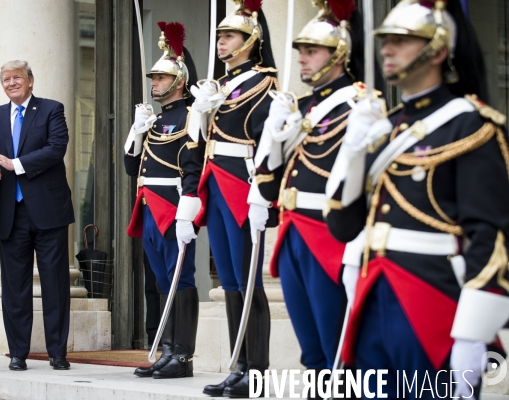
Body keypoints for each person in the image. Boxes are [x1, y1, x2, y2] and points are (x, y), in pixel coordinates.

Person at [324, 0, 509, 398]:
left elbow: (491, 236)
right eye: (384, 40)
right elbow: (343, 225)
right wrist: (353, 154)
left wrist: (473, 334)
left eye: (401, 41)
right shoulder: (387, 127)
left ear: (438, 49)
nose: (386, 49)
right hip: (374, 297)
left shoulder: (470, 124)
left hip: (435, 300)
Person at [249, 0, 370, 384]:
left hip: (331, 233)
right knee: (312, 348)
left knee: (339, 345)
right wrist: (273, 136)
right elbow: (271, 176)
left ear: (338, 55)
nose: (301, 59)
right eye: (300, 51)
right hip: (294, 231)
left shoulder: (359, 105)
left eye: (311, 51)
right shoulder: (302, 107)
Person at [188, 1, 278, 397]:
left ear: (250, 40)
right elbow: (197, 142)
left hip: (243, 185)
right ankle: (238, 365)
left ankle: (255, 372)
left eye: (229, 36)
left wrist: (264, 188)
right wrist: (200, 112)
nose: (221, 42)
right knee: (228, 283)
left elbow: (268, 142)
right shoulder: (218, 86)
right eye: (220, 36)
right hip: (216, 185)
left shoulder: (266, 83)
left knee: (249, 282)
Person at [0, 60, 75, 371]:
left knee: (56, 285)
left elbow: (56, 148)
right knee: (15, 288)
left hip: (49, 211)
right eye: (6, 79)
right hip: (12, 213)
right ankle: (18, 353)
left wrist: (14, 164)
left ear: (30, 81)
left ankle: (57, 353)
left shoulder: (51, 109)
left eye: (17, 78)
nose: (11, 83)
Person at [124, 22, 203, 379]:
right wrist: (136, 131)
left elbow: (193, 167)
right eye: (153, 78)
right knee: (159, 282)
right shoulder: (154, 121)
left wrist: (189, 209)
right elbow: (130, 166)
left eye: (159, 78)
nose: (153, 83)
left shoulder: (190, 116)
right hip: (147, 205)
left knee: (180, 281)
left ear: (179, 80)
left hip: (172, 208)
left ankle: (182, 357)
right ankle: (167, 349)